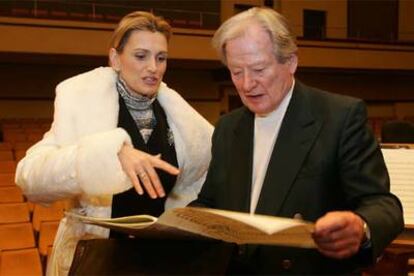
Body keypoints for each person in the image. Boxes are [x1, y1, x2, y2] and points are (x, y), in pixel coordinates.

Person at [190, 7, 404, 274]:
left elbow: (383, 204)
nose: (246, 84)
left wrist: (361, 227)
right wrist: (170, 227)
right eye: (236, 72)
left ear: (290, 62)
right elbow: (211, 203)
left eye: (258, 69)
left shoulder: (339, 117)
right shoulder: (227, 127)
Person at [15, 11, 213, 276]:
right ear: (115, 59)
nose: (153, 67)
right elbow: (29, 178)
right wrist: (107, 155)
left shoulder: (180, 120)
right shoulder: (83, 107)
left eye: (161, 57)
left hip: (160, 262)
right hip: (97, 260)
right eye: (141, 56)